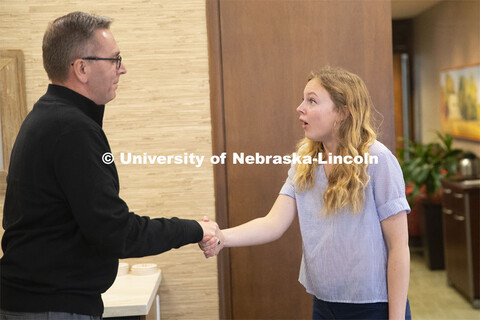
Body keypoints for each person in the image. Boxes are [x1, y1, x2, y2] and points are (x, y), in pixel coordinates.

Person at [0, 12, 219, 320]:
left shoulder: (48, 117)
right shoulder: (71, 129)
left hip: (37, 300)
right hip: (52, 306)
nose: (123, 69)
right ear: (82, 68)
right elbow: (114, 232)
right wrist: (194, 229)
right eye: (115, 59)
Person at [200, 66, 412, 320]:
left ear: (343, 112)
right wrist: (222, 237)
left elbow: (399, 246)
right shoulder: (305, 158)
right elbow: (273, 223)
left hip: (373, 306)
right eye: (303, 100)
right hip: (323, 304)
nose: (301, 108)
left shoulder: (377, 159)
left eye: (312, 100)